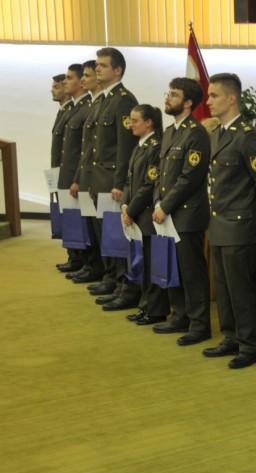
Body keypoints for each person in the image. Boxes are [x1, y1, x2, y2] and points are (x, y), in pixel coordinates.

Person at [201, 73, 256, 368]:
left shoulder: (247, 137)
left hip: (241, 225)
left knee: (241, 289)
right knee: (224, 287)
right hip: (220, 223)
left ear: (231, 99)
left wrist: (252, 212)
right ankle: (230, 337)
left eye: (214, 95)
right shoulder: (218, 133)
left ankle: (249, 345)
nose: (208, 101)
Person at [152, 77, 212, 347]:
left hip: (186, 214)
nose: (168, 98)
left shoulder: (196, 133)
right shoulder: (170, 132)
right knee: (172, 266)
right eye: (168, 93)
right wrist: (158, 202)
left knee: (191, 272)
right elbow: (161, 174)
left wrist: (165, 206)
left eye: (174, 95)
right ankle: (179, 316)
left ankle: (199, 325)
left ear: (188, 103)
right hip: (166, 212)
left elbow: (190, 178)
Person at [87, 47, 141, 311]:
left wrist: (120, 183)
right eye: (97, 64)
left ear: (117, 70)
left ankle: (126, 288)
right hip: (99, 180)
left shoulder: (123, 100)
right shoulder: (103, 100)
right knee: (108, 237)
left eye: (103, 65)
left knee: (119, 239)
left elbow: (125, 147)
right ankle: (115, 282)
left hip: (112, 182)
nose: (97, 68)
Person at [121, 104, 170, 326]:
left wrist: (131, 210)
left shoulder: (154, 147)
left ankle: (156, 309)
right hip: (135, 213)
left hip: (146, 214)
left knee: (153, 264)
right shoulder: (140, 145)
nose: (130, 124)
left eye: (135, 120)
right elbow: (129, 180)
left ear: (148, 122)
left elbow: (149, 184)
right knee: (142, 263)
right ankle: (145, 305)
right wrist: (124, 205)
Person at [66, 60, 106, 285]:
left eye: (87, 75)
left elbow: (94, 149)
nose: (83, 80)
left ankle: (99, 270)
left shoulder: (99, 105)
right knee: (92, 228)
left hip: (98, 179)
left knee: (100, 230)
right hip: (87, 177)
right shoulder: (91, 106)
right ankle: (92, 266)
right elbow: (85, 149)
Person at [55, 64, 89, 274]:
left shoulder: (86, 108)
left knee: (79, 221)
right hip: (65, 174)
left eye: (69, 78)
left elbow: (84, 149)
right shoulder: (73, 108)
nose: (64, 82)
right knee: (70, 219)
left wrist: (77, 178)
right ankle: (76, 258)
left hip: (76, 176)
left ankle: (84, 261)